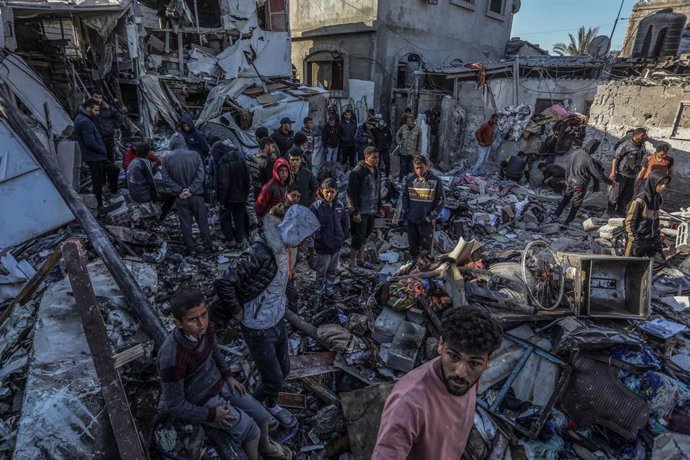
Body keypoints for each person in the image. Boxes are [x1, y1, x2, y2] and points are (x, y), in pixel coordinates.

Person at [213, 205, 320, 431]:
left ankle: (270, 404)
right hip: (257, 326)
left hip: (276, 319)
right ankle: (254, 409)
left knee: (284, 369)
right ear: (295, 230)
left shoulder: (287, 249)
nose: (306, 242)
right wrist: (237, 312)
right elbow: (224, 281)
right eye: (305, 236)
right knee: (273, 379)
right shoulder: (261, 251)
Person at [157, 289, 292, 460]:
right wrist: (211, 414)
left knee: (260, 414)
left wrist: (228, 375)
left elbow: (214, 350)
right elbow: (174, 405)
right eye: (193, 319)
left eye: (204, 314)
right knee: (251, 430)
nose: (202, 323)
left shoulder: (205, 329)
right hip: (201, 398)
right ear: (178, 324)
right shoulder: (172, 357)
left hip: (219, 382)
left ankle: (265, 448)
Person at [373, 307, 503, 460]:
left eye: (473, 363)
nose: (460, 372)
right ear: (441, 345)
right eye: (453, 356)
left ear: (488, 360)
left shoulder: (470, 380)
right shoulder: (408, 403)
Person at [162, 133, 212, 255]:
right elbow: (201, 176)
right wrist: (191, 189)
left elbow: (166, 178)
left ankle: (192, 248)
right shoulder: (194, 155)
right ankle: (207, 247)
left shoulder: (166, 158)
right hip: (197, 195)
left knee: (185, 224)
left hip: (181, 197)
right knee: (202, 222)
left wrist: (180, 190)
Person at [551, 139, 613, 226]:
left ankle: (555, 216)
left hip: (570, 181)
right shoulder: (589, 159)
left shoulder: (576, 153)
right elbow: (599, 175)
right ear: (593, 148)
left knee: (565, 199)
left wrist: (566, 179)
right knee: (576, 204)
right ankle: (567, 223)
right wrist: (611, 183)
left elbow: (568, 167)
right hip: (580, 185)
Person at [74, 98, 120, 209]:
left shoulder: (84, 118)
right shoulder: (85, 121)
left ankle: (110, 193)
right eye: (95, 110)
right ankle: (99, 204)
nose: (97, 113)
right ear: (88, 109)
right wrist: (102, 150)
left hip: (96, 155)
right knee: (97, 181)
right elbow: (90, 142)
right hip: (94, 156)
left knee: (113, 170)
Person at [310, 178, 349, 307]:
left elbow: (345, 222)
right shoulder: (316, 206)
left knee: (332, 270)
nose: (329, 195)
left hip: (336, 245)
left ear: (337, 192)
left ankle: (329, 290)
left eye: (332, 192)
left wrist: (343, 236)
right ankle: (318, 294)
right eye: (327, 192)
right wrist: (319, 239)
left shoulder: (340, 206)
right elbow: (312, 226)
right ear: (321, 191)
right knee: (321, 272)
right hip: (323, 247)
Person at [624, 170, 670, 272]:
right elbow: (629, 222)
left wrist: (658, 234)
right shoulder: (640, 200)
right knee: (629, 267)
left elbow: (656, 219)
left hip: (652, 239)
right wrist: (635, 240)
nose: (663, 187)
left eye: (665, 184)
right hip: (638, 239)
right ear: (653, 182)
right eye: (661, 184)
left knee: (660, 262)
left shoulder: (658, 199)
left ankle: (643, 279)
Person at [346, 146, 382, 272]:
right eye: (373, 158)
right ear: (366, 157)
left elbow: (378, 190)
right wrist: (354, 211)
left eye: (377, 157)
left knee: (365, 236)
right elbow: (350, 193)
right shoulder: (357, 172)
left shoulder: (377, 170)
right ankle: (352, 264)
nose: (376, 160)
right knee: (357, 237)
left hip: (371, 210)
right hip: (360, 211)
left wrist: (380, 207)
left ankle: (361, 260)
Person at [402, 155, 445, 258]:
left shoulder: (435, 181)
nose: (419, 170)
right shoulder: (410, 181)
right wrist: (408, 213)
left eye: (421, 167)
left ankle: (426, 269)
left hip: (426, 221)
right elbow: (405, 198)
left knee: (426, 250)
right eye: (416, 168)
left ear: (427, 165)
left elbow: (441, 201)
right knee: (413, 247)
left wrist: (431, 217)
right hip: (412, 220)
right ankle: (415, 268)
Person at [215, 141, 251, 248]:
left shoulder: (223, 164)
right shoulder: (240, 160)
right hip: (241, 196)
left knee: (225, 218)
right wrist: (246, 193)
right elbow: (247, 178)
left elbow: (223, 184)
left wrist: (221, 200)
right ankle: (240, 240)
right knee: (238, 217)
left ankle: (230, 239)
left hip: (229, 198)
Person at [608, 127, 647, 216]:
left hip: (632, 175)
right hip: (622, 173)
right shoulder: (626, 145)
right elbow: (615, 158)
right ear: (636, 135)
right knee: (616, 193)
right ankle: (610, 210)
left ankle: (620, 210)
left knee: (627, 194)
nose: (644, 137)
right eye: (642, 135)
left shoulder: (641, 146)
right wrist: (613, 172)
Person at [91, 89, 123, 164]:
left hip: (108, 138)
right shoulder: (88, 109)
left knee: (110, 159)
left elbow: (119, 117)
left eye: (100, 97)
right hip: (95, 140)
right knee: (99, 161)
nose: (98, 99)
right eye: (96, 97)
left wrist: (113, 127)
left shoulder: (108, 108)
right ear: (91, 97)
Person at [256, 158, 292, 222]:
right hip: (269, 219)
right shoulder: (269, 186)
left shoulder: (287, 184)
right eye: (281, 170)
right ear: (276, 171)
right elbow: (260, 205)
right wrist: (260, 220)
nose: (284, 173)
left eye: (286, 171)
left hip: (281, 218)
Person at [395, 116, 422, 181]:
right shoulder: (403, 127)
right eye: (407, 121)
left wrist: (418, 152)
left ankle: (409, 181)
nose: (407, 122)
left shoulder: (418, 129)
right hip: (403, 151)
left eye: (409, 121)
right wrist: (398, 142)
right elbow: (397, 134)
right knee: (403, 166)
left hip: (412, 152)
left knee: (410, 167)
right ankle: (401, 180)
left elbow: (419, 141)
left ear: (413, 122)